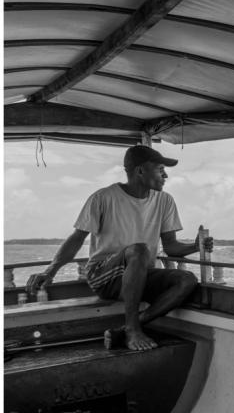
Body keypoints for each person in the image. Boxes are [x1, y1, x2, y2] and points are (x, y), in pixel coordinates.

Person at [26, 145, 214, 351]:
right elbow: (77, 238)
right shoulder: (103, 198)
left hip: (140, 273)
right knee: (140, 250)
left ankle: (127, 328)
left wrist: (195, 247)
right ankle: (133, 331)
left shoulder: (165, 201)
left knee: (186, 280)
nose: (166, 175)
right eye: (160, 169)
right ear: (140, 171)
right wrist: (50, 271)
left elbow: (171, 247)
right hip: (104, 276)